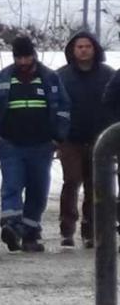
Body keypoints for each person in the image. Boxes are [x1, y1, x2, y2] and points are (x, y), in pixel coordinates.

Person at [0, 36, 70, 252]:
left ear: (34, 55)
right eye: (19, 57)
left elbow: (63, 108)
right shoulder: (2, 78)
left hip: (42, 145)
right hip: (11, 144)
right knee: (12, 184)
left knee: (38, 189)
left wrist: (57, 138)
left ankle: (30, 232)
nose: (23, 61)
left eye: (26, 56)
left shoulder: (50, 78)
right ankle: (11, 227)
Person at [55, 31, 113, 248]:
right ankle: (67, 228)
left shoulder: (108, 75)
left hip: (100, 139)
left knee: (93, 185)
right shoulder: (61, 76)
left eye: (87, 46)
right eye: (79, 46)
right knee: (71, 180)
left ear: (94, 48)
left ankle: (90, 229)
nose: (83, 50)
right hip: (70, 139)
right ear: (72, 50)